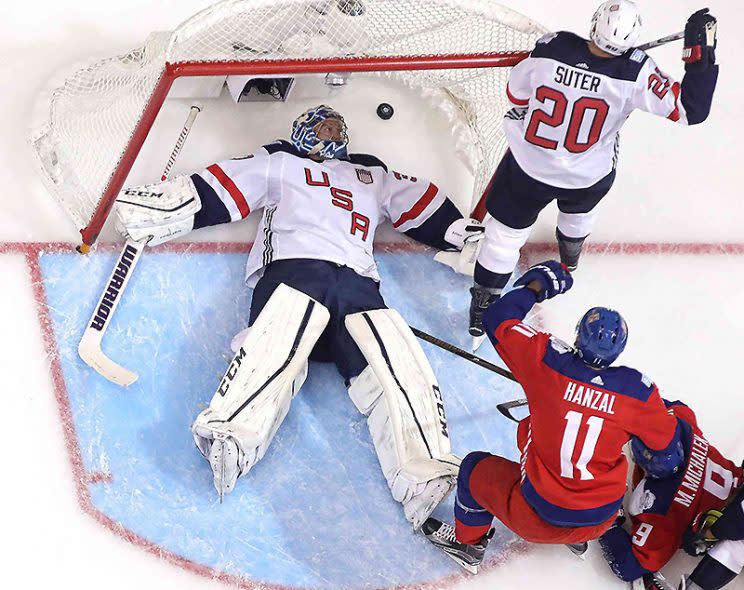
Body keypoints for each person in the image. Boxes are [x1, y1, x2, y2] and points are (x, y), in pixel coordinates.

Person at [114, 104, 486, 529]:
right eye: (324, 124)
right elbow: (225, 187)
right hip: (296, 270)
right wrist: (163, 208)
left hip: (358, 285)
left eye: (338, 125)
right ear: (303, 131)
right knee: (279, 339)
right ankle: (233, 434)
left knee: (395, 356)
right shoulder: (280, 163)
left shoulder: (370, 175)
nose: (333, 130)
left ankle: (423, 471)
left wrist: (463, 233)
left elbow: (419, 202)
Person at [468, 1, 719, 345]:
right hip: (587, 176)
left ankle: (484, 305)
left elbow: (515, 94)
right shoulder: (636, 71)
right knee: (579, 212)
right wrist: (699, 54)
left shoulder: (551, 47)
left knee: (504, 236)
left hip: (529, 166)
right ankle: (569, 258)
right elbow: (691, 109)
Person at [423, 260, 682, 573]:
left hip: (537, 516)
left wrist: (536, 286)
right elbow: (667, 454)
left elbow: (496, 318)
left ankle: (468, 544)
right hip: (602, 517)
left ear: (577, 338)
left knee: (473, 468)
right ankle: (574, 535)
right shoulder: (639, 391)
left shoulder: (547, 360)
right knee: (539, 437)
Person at [598, 401, 743, 590]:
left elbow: (630, 567)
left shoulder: (659, 506)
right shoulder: (684, 427)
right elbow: (675, 405)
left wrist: (609, 519)